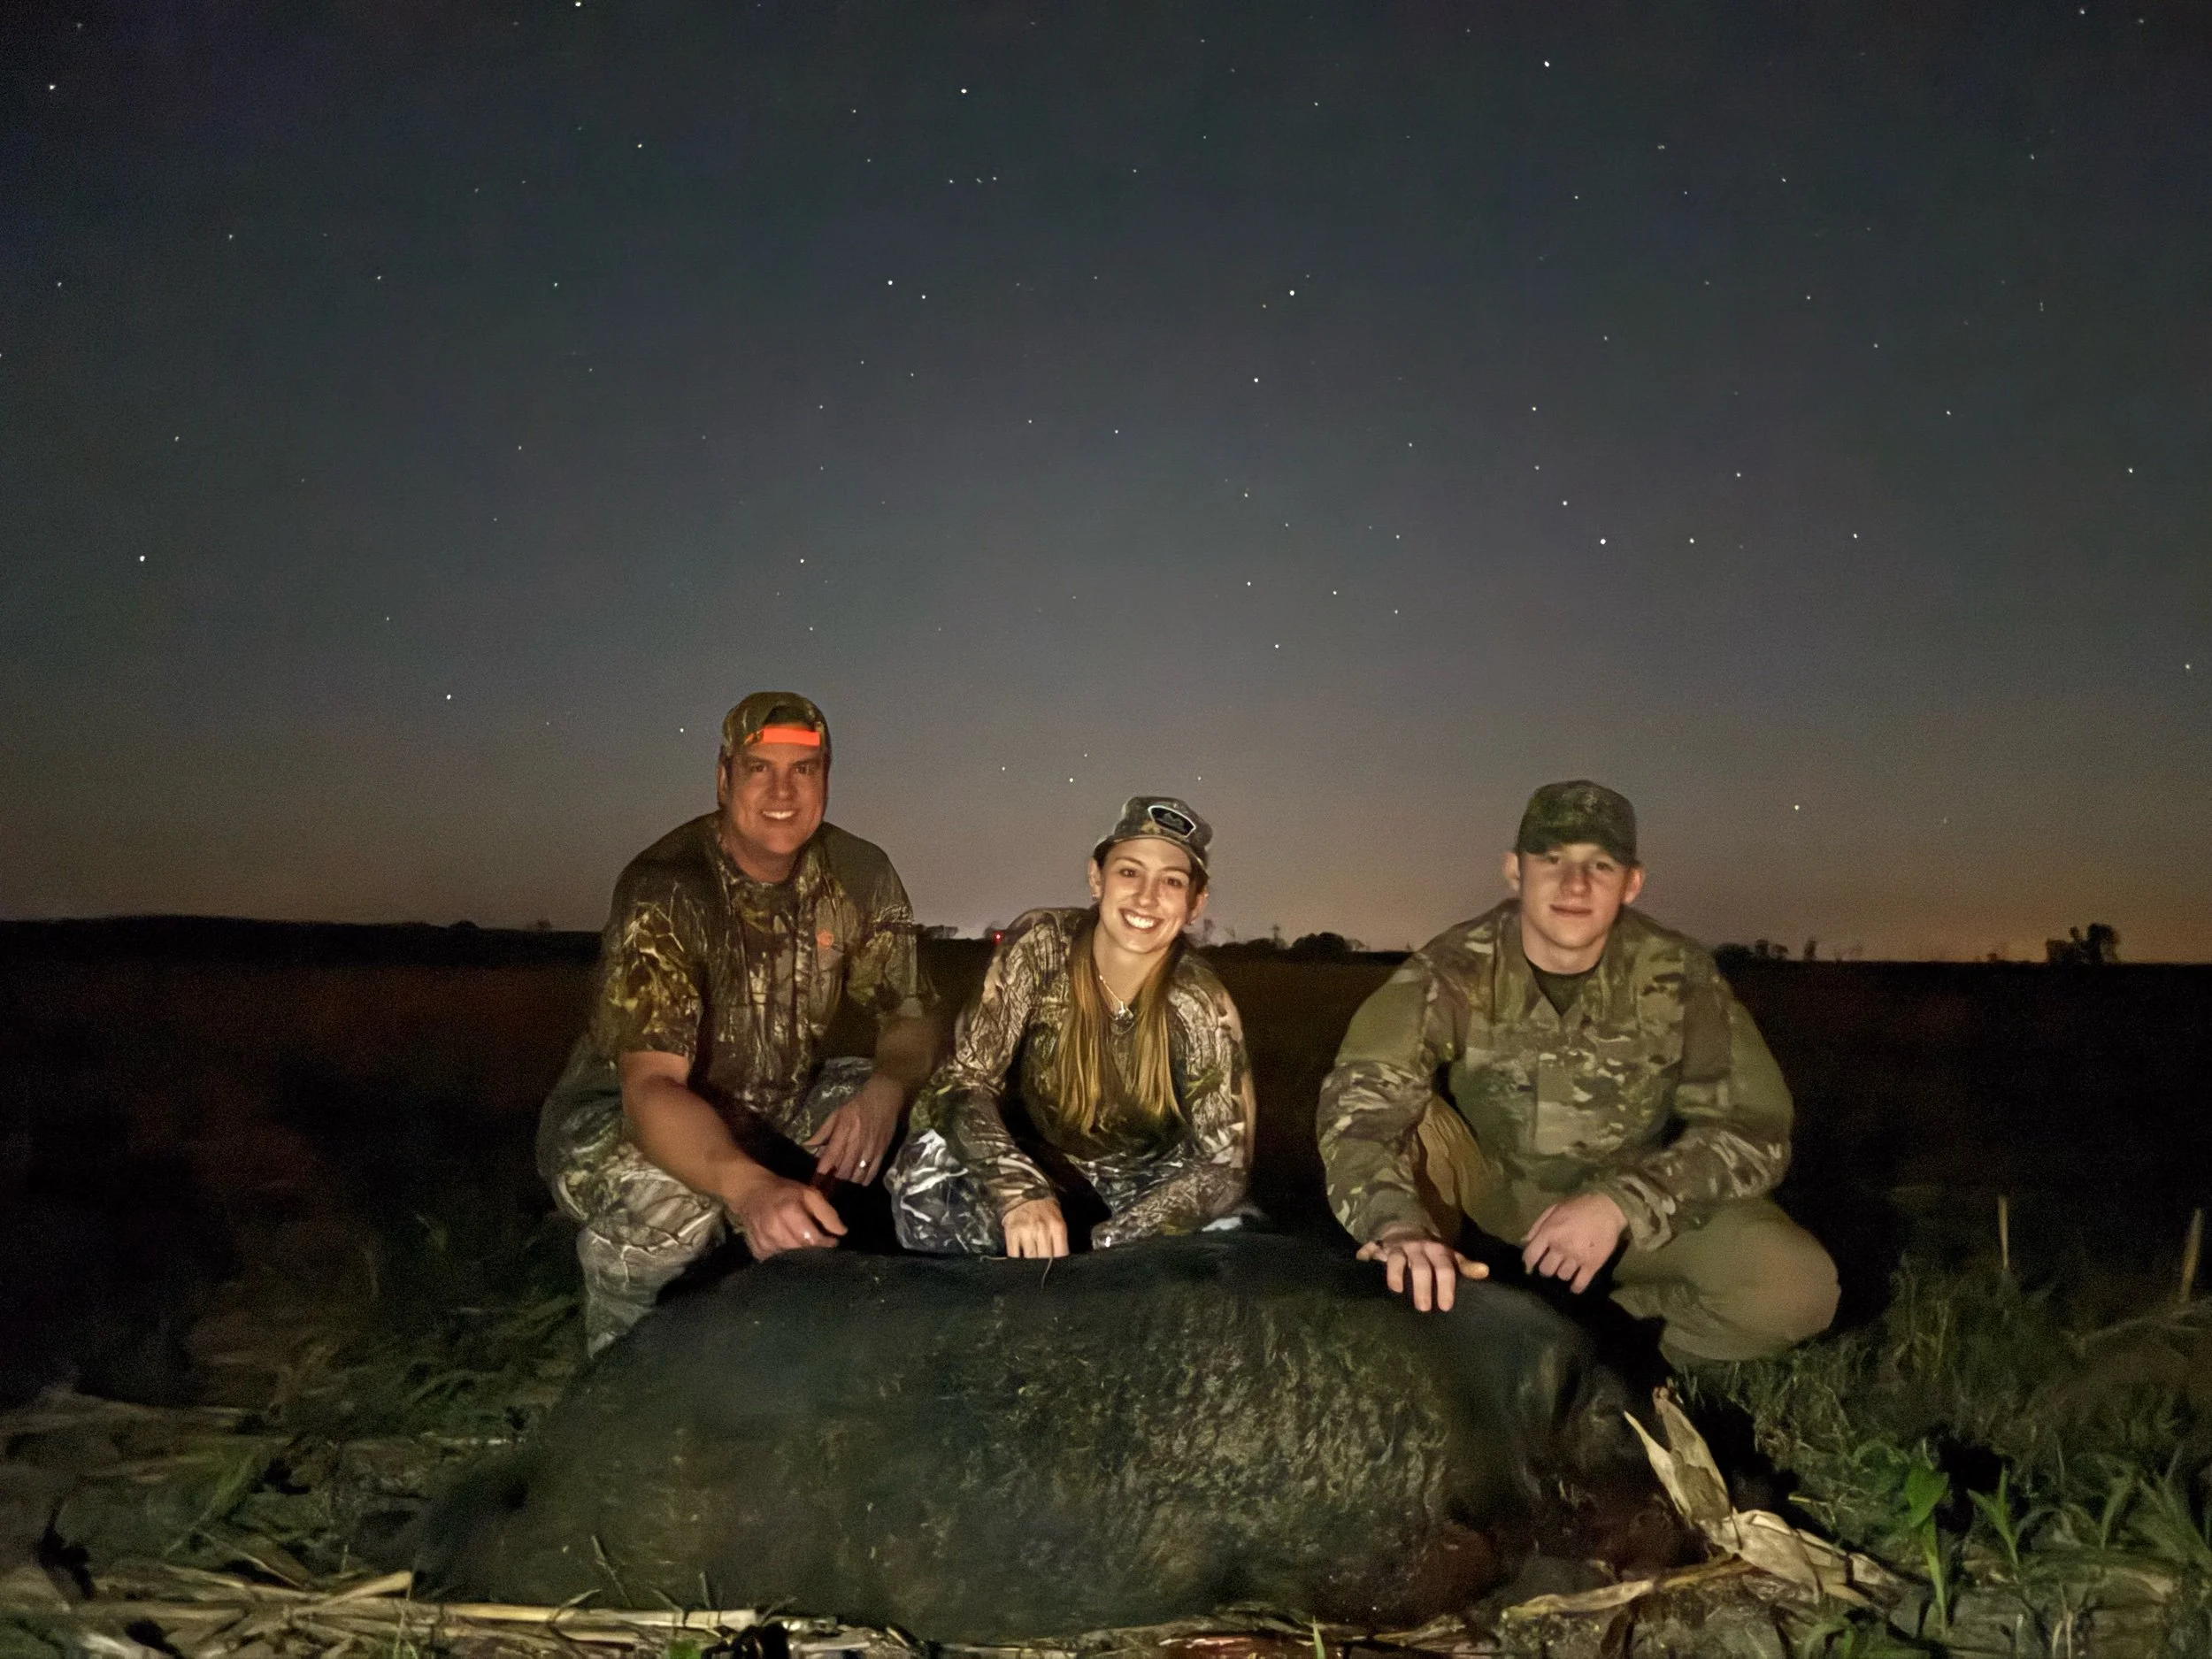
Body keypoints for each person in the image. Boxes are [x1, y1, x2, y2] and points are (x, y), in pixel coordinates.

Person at [1317, 780, 1838, 1364]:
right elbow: (1359, 1105)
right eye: (1552, 859)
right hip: (1490, 1195)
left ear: (1631, 882)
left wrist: (1623, 1201)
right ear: (1515, 870)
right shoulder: (1453, 966)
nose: (1575, 884)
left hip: (1629, 1214)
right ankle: (1438, 1309)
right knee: (1407, 1125)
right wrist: (1398, 1227)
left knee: (1795, 1288)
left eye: (1601, 864)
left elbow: (1755, 1129)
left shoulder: (1681, 976)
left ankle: (1593, 1343)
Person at [537, 692, 937, 1355]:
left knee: (938, 1122)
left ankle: (905, 1348)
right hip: (625, 1111)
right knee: (671, 1198)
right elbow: (650, 1090)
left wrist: (887, 1087)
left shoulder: (862, 873)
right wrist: (752, 1189)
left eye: (803, 770)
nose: (783, 790)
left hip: (779, 1099)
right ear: (724, 778)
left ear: (825, 779)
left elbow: (910, 1013)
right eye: (760, 768)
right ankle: (623, 1377)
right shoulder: (667, 887)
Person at [887, 796, 1255, 1256]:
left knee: (1228, 1232)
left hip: (1148, 1188)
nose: (1146, 897)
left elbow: (1225, 1165)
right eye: (1129, 872)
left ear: (1195, 903)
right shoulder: (1040, 944)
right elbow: (961, 1081)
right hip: (1045, 1165)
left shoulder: (1203, 1002)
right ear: (1096, 878)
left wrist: (1109, 1242)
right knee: (928, 1162)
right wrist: (1020, 1189)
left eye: (1172, 881)